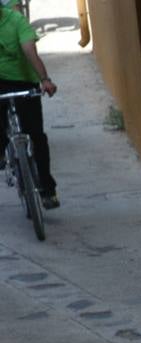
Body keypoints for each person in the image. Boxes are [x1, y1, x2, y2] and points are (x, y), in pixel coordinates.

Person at [0, 0, 57, 208]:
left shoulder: (16, 20)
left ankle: (48, 190)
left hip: (23, 80)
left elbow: (29, 50)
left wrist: (44, 79)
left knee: (37, 135)